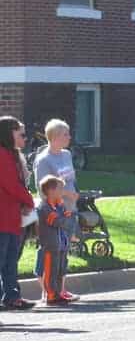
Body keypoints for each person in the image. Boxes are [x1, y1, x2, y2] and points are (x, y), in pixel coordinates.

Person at [33, 119, 80, 302]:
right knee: (48, 250)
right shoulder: (43, 159)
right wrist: (67, 194)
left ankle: (61, 289)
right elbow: (42, 187)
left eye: (68, 133)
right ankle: (46, 290)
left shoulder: (66, 155)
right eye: (65, 134)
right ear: (53, 137)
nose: (69, 137)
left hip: (69, 209)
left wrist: (73, 195)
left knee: (63, 250)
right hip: (52, 212)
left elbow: (70, 180)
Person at [0, 117, 36, 310]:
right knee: (4, 259)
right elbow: (11, 184)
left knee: (10, 260)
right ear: (8, 133)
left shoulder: (12, 155)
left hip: (12, 216)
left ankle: (12, 296)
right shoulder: (2, 155)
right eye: (20, 133)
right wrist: (29, 200)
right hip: (3, 217)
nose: (24, 137)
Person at [35, 175, 73, 305]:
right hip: (50, 245)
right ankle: (51, 295)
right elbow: (57, 221)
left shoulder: (58, 206)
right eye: (60, 189)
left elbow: (65, 219)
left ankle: (57, 293)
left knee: (58, 270)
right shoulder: (44, 207)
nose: (62, 192)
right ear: (51, 191)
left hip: (60, 244)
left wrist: (64, 215)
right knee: (50, 271)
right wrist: (65, 217)